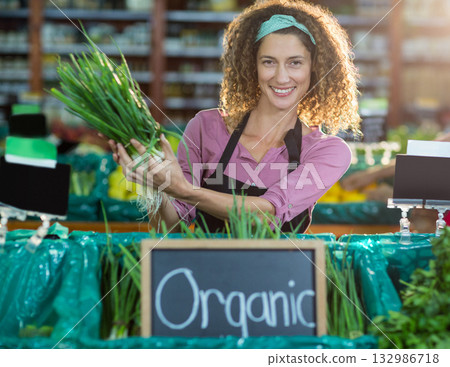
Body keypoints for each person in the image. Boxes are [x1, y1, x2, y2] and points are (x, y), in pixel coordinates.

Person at [109, 0, 361, 233]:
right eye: (269, 62)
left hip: (281, 280)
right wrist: (157, 186)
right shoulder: (205, 127)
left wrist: (185, 191)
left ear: (314, 68)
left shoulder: (327, 152)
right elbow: (171, 228)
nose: (282, 77)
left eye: (295, 63)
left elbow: (266, 214)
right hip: (207, 279)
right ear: (252, 66)